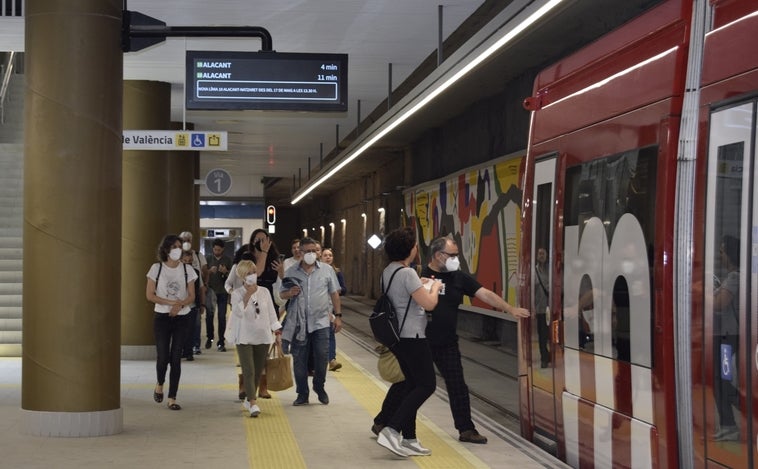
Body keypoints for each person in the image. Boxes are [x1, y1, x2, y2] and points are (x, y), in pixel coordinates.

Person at [417, 235, 529, 444]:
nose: (456, 259)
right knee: (412, 385)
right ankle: (384, 422)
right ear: (439, 255)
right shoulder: (418, 274)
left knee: (458, 385)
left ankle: (466, 429)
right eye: (453, 255)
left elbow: (484, 293)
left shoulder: (458, 277)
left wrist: (509, 308)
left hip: (447, 342)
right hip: (419, 341)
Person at [373, 227, 443, 457]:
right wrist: (435, 287)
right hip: (413, 337)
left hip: (397, 338)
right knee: (426, 385)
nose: (416, 249)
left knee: (412, 385)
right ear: (409, 249)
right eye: (414, 246)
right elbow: (429, 304)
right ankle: (392, 430)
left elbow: (402, 297)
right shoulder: (407, 273)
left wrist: (420, 283)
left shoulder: (389, 271)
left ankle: (410, 438)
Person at [280, 237, 343, 407]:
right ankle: (302, 393)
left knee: (322, 356)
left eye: (314, 251)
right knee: (299, 359)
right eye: (307, 251)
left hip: (321, 322)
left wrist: (338, 316)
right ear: (300, 252)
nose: (311, 254)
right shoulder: (292, 271)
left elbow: (334, 294)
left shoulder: (327, 270)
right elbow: (282, 294)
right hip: (299, 324)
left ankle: (319, 386)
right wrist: (289, 293)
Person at [145, 234, 198, 411]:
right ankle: (160, 383)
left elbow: (192, 295)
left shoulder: (187, 270)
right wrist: (171, 304)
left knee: (176, 357)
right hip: (161, 318)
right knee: (162, 356)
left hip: (182, 318)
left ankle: (172, 397)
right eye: (174, 246)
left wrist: (180, 305)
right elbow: (149, 295)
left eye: (179, 246)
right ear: (166, 249)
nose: (178, 249)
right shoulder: (156, 268)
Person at [226, 260, 283, 418]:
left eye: (253, 272)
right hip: (244, 337)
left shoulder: (264, 291)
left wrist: (277, 332)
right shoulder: (237, 293)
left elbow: (272, 313)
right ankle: (252, 402)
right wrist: (248, 295)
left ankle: (249, 399)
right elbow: (237, 313)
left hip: (263, 336)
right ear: (242, 277)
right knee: (248, 370)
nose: (252, 276)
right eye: (248, 273)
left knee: (258, 371)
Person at [712, 234, 740, 441]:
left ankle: (733, 421)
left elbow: (719, 303)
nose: (720, 256)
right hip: (724, 337)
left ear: (729, 254)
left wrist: (703, 293)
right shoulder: (730, 277)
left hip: (729, 339)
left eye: (722, 252)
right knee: (720, 379)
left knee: (723, 380)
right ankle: (728, 424)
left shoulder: (734, 278)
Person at [179, 231, 208, 356]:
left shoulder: (197, 256)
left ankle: (192, 348)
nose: (186, 243)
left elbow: (201, 284)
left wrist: (202, 303)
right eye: (184, 240)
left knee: (194, 326)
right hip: (180, 304)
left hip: (193, 303)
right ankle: (183, 350)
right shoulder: (175, 267)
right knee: (181, 329)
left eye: (188, 240)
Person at [321, 248, 347, 371]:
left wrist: (336, 290)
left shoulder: (337, 272)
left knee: (330, 334)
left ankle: (332, 360)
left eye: (330, 255)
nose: (328, 257)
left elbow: (344, 289)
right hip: (319, 308)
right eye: (325, 255)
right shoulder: (317, 272)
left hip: (330, 308)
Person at [205, 238, 232, 351]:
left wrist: (225, 271)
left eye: (219, 250)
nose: (217, 251)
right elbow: (203, 274)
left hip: (222, 292)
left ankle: (221, 341)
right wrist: (209, 271)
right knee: (209, 316)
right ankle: (210, 338)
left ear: (223, 249)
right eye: (215, 249)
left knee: (222, 317)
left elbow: (232, 275)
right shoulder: (208, 258)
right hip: (211, 291)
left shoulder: (228, 259)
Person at [534, 247, 550, 368]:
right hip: (540, 309)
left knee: (552, 334)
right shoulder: (534, 271)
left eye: (543, 253)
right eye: (539, 254)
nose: (541, 256)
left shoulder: (551, 270)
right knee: (543, 335)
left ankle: (550, 355)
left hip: (552, 308)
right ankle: (544, 358)